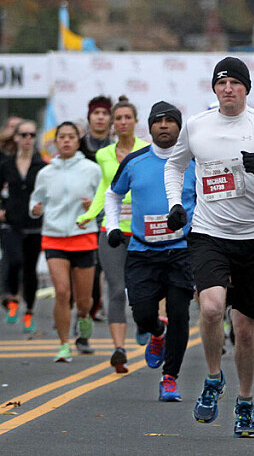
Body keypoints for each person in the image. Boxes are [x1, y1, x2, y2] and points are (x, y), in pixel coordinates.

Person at [165, 57, 254, 437]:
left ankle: (245, 401)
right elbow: (174, 166)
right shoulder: (197, 125)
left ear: (246, 88)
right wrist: (175, 203)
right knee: (211, 307)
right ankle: (214, 378)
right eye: (221, 83)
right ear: (214, 88)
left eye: (235, 83)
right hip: (209, 233)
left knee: (244, 329)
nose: (228, 89)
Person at [105, 102, 197, 401]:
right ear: (150, 126)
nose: (164, 125)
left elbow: (208, 199)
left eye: (171, 120)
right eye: (158, 121)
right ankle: (157, 332)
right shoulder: (135, 162)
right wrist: (112, 227)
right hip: (142, 251)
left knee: (179, 314)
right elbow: (113, 194)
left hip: (181, 251)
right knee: (143, 315)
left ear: (179, 127)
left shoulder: (194, 161)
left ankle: (170, 378)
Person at [77, 96, 149, 372]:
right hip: (112, 228)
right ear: (112, 124)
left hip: (143, 229)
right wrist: (89, 215)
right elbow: (104, 190)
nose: (122, 122)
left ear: (135, 121)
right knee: (116, 288)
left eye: (127, 117)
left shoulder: (146, 150)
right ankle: (119, 349)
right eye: (118, 118)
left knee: (142, 287)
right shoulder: (103, 154)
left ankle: (144, 322)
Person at [29, 122, 102, 361]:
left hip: (84, 236)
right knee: (61, 292)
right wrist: (35, 209)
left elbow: (104, 199)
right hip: (54, 237)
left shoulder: (92, 169)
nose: (67, 141)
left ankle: (84, 317)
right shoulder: (46, 172)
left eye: (71, 137)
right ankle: (63, 345)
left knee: (84, 301)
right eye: (62, 137)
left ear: (78, 141)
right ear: (56, 141)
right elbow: (36, 200)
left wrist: (93, 206)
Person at [0, 120, 47, 332]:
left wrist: (44, 207)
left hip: (34, 224)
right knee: (15, 260)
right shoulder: (6, 165)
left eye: (32, 135)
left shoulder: (42, 166)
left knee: (30, 270)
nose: (28, 139)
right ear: (16, 137)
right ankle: (11, 297)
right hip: (11, 223)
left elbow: (49, 194)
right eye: (24, 135)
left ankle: (29, 310)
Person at [80, 96, 114, 162]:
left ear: (111, 118)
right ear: (89, 117)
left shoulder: (116, 148)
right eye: (96, 113)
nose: (100, 117)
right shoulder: (77, 146)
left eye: (105, 113)